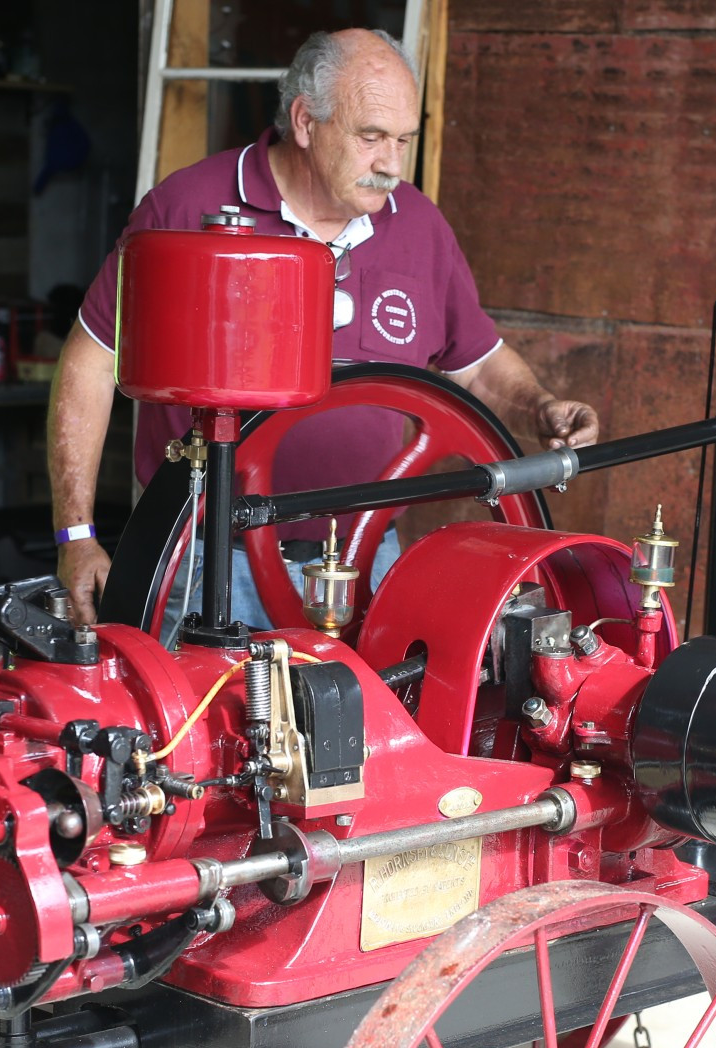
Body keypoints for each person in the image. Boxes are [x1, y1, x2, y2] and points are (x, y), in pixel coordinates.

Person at [49, 27, 599, 628]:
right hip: (207, 562)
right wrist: (76, 534)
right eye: (371, 137)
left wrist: (541, 405)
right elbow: (92, 361)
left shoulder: (418, 224)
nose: (391, 163)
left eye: (404, 140)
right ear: (306, 122)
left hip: (366, 558)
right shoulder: (184, 209)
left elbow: (477, 364)